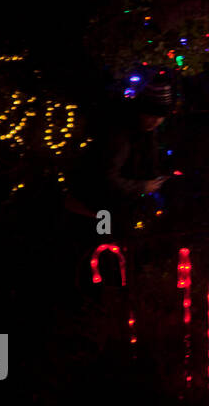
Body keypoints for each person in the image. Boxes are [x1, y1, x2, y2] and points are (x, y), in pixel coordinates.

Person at [63, 77, 172, 288]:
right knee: (104, 251)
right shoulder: (120, 136)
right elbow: (107, 179)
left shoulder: (145, 133)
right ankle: (106, 298)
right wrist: (143, 187)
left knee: (113, 252)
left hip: (112, 207)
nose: (156, 121)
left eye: (160, 116)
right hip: (97, 208)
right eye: (152, 115)